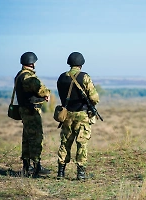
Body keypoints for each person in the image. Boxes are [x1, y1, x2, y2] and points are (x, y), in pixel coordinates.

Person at [56, 52, 100, 180]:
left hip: (66, 115)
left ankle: (60, 173)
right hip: (82, 115)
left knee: (65, 143)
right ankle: (80, 174)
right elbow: (94, 97)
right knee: (82, 144)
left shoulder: (61, 77)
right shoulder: (84, 77)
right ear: (81, 63)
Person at [15, 52, 51, 178]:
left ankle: (26, 166)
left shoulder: (19, 75)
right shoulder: (29, 77)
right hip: (31, 110)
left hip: (24, 110)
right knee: (36, 138)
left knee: (26, 138)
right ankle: (37, 167)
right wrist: (47, 93)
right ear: (32, 63)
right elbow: (41, 89)